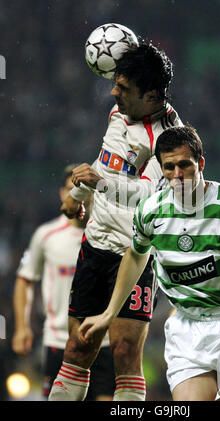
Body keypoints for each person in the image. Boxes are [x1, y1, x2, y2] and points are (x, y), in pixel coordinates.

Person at [78, 125, 220, 401]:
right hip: (188, 328)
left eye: (184, 165)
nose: (177, 175)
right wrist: (109, 313)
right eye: (169, 168)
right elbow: (136, 255)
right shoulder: (150, 211)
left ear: (200, 163)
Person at [48, 42, 182, 401]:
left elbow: (147, 194)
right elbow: (104, 162)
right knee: (77, 348)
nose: (113, 92)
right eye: (115, 84)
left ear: (151, 95)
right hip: (94, 245)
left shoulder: (169, 138)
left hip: (133, 254)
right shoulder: (117, 113)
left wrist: (100, 185)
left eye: (123, 88)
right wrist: (76, 197)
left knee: (124, 354)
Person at [12, 164, 115, 401]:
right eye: (73, 189)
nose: (79, 196)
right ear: (62, 195)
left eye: (85, 189)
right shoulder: (46, 236)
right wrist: (21, 327)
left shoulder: (111, 234)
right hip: (59, 340)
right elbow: (25, 279)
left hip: (104, 341)